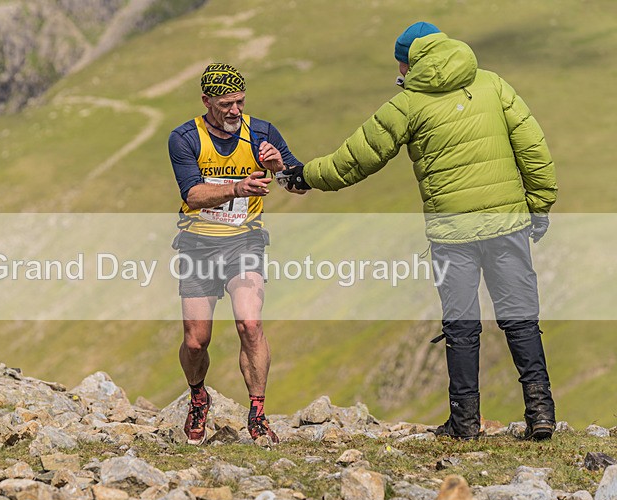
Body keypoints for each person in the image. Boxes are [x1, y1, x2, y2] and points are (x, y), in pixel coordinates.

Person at [280, 22, 558, 440]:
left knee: (461, 327)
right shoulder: (493, 85)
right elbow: (533, 147)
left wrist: (303, 177)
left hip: (452, 234)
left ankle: (464, 423)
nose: (400, 72)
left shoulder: (408, 103)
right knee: (520, 317)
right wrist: (539, 206)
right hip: (507, 225)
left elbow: (355, 159)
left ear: (410, 62)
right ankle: (541, 414)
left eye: (400, 64)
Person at [168, 63, 302, 444]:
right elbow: (192, 195)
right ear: (206, 100)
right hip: (197, 244)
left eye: (240, 102)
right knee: (196, 341)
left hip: (245, 241)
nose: (234, 111)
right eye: (226, 104)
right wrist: (236, 189)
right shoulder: (183, 138)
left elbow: (299, 185)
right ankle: (198, 398)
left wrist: (279, 169)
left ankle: (257, 414)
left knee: (250, 324)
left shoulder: (262, 132)